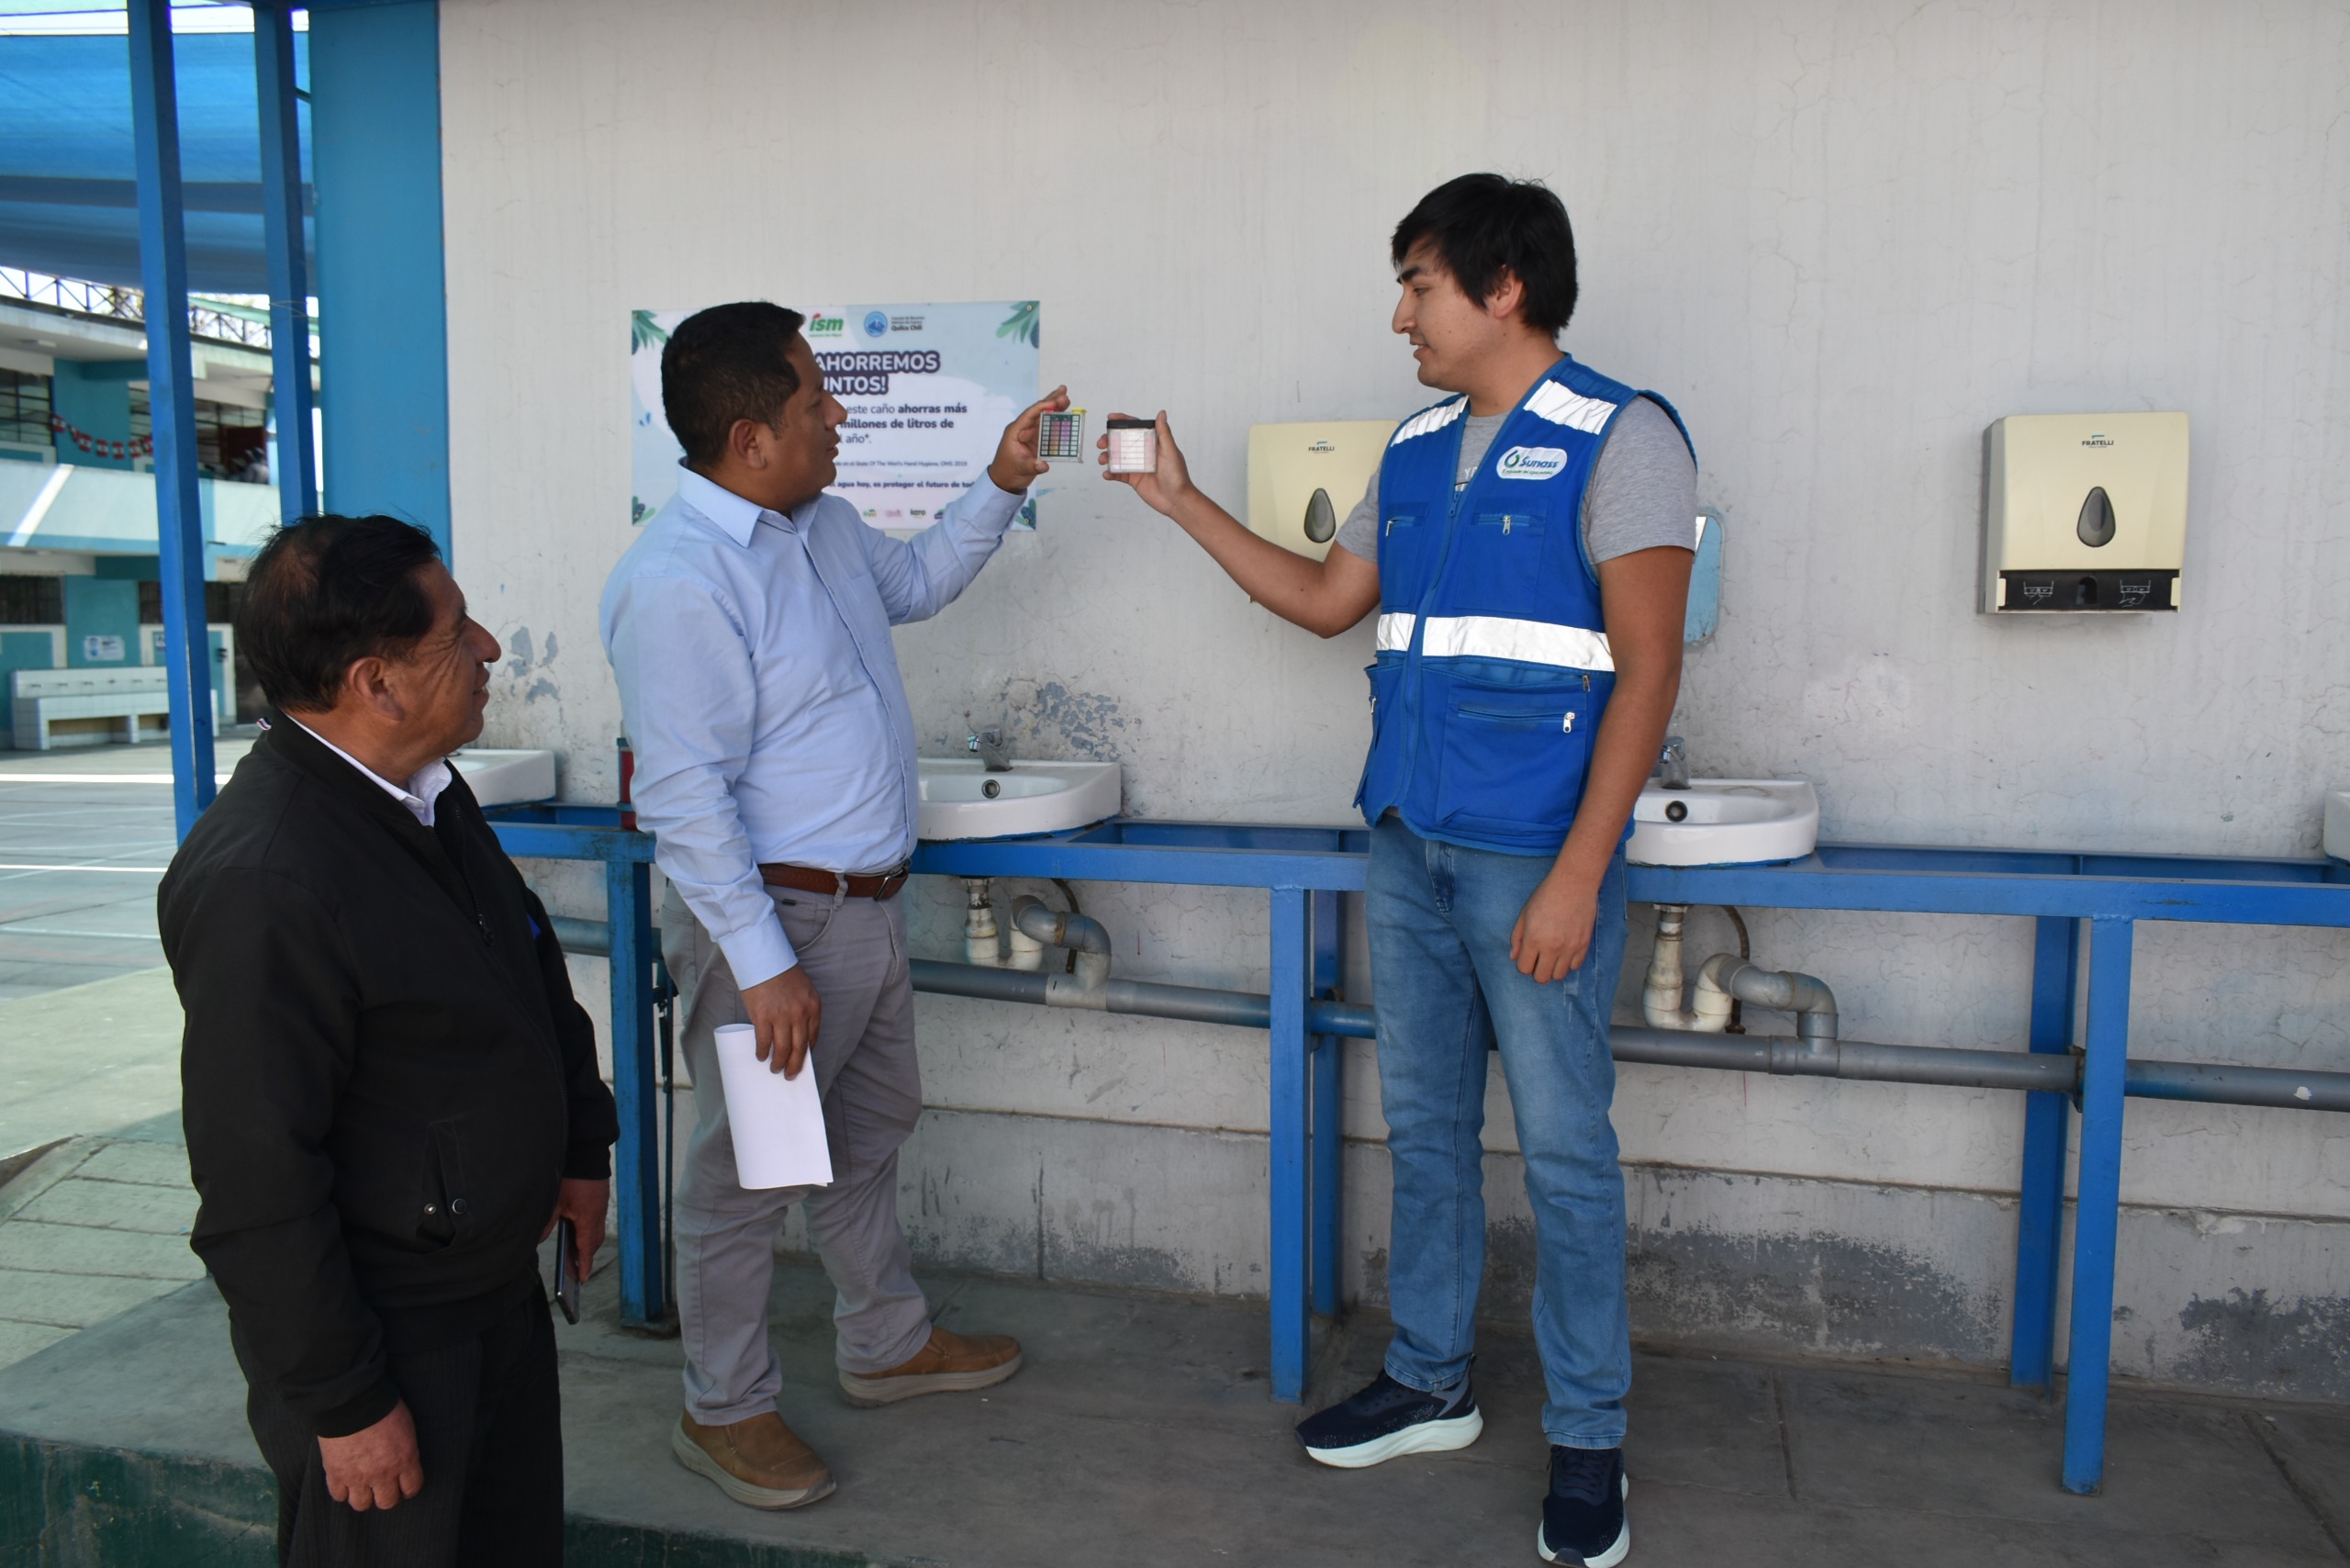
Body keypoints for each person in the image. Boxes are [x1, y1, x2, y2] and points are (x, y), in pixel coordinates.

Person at [1103, 174, 1695, 1567]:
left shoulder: (1625, 436)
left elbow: (1651, 666)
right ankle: (1432, 1380)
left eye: (1418, 287)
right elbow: (1327, 601)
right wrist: (1181, 504)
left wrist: (1579, 874)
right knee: (1425, 1130)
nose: (1400, 318)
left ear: (1504, 288)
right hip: (1407, 842)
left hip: (1534, 860)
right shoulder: (1420, 447)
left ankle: (1590, 1436)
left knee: (1566, 1152)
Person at [600, 301, 1063, 1509]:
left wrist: (1002, 480)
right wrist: (763, 966)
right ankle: (724, 1408)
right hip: (775, 928)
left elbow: (923, 580)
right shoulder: (679, 580)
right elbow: (685, 798)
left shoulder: (828, 527)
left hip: (863, 912)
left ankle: (886, 1342)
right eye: (816, 399)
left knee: (865, 1133)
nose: (839, 414)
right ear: (751, 438)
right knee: (749, 1176)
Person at [162, 514, 620, 1567]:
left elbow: (525, 968)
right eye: (457, 633)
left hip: (490, 1291)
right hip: (388, 1338)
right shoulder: (266, 880)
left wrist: (577, 1148)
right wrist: (345, 1398)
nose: (490, 647)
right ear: (377, 683)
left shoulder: (425, 794)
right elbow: (253, 1178)